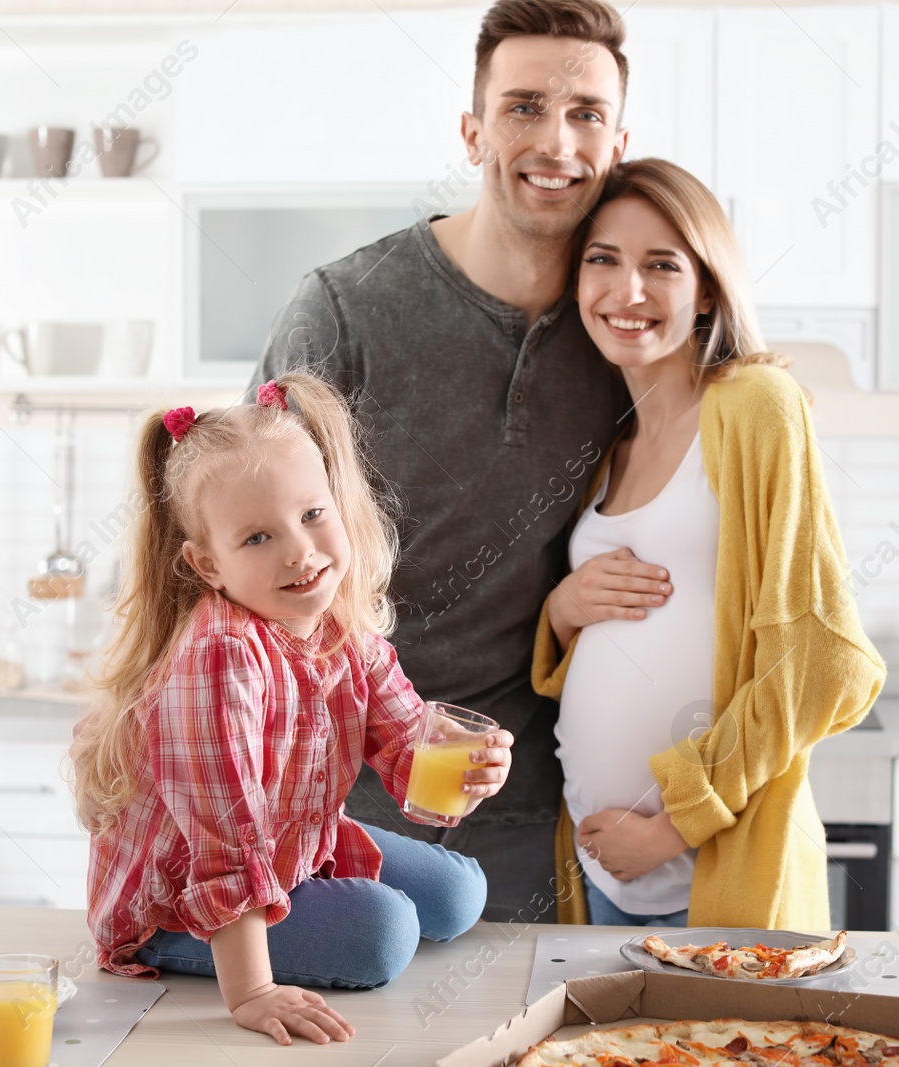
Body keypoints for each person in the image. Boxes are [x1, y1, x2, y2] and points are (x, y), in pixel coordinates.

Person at [250, 0, 641, 925]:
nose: (556, 140)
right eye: (523, 107)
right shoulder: (345, 311)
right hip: (336, 800)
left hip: (527, 809)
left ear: (618, 143)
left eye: (586, 113)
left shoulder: (623, 331)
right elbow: (236, 546)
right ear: (473, 132)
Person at [69, 372, 513, 1046]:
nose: (300, 551)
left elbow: (408, 758)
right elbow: (224, 838)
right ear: (207, 563)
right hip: (179, 901)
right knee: (385, 933)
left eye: (312, 515)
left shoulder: (344, 629)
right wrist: (252, 990)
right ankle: (185, 945)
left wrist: (469, 769)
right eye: (257, 538)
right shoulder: (219, 657)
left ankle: (311, 904)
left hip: (288, 854)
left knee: (459, 895)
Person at [533, 159, 887, 928]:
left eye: (662, 265)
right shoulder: (610, 449)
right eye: (604, 260)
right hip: (606, 877)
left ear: (708, 289)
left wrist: (672, 825)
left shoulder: (754, 405)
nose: (627, 292)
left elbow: (827, 663)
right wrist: (561, 611)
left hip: (711, 874)